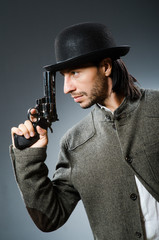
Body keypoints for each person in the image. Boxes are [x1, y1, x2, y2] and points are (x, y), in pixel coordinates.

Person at [10, 22, 159, 240]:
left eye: (75, 73)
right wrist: (28, 158)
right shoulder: (74, 143)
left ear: (106, 66)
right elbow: (50, 217)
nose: (66, 88)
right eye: (64, 76)